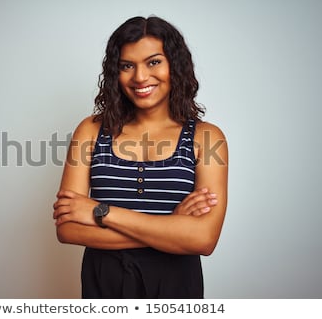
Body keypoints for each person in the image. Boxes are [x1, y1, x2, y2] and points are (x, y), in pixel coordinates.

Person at [53, 15, 228, 299]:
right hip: (103, 284)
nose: (140, 77)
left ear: (175, 65)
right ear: (115, 72)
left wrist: (103, 212)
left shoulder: (207, 138)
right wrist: (171, 229)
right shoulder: (91, 130)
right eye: (127, 65)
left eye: (154, 62)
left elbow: (204, 239)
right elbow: (68, 229)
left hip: (175, 284)